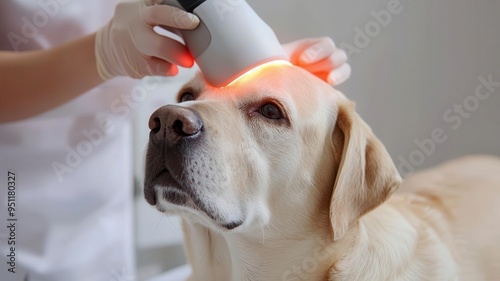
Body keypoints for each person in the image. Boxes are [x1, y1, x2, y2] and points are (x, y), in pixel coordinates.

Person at [0, 0, 351, 280]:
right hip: (14, 197)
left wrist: (266, 66)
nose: (173, 121)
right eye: (186, 99)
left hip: (95, 198)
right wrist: (99, 53)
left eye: (270, 113)